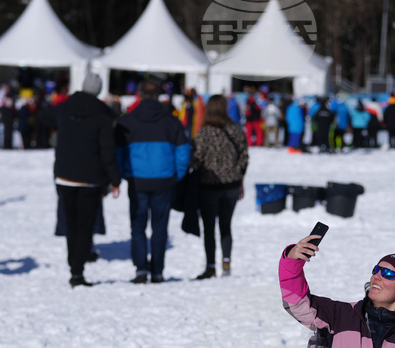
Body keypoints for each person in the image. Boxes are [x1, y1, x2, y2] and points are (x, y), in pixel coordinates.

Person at [42, 73, 121, 287]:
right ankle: (78, 270)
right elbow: (107, 151)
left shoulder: (64, 108)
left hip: (65, 175)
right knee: (85, 226)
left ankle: (74, 265)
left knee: (71, 224)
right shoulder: (103, 115)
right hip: (90, 178)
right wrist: (115, 179)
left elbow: (45, 118)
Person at [116, 78, 190, 283]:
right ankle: (157, 271)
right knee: (160, 227)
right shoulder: (171, 121)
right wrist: (176, 174)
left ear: (139, 95)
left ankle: (141, 269)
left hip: (137, 179)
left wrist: (124, 173)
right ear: (159, 95)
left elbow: (118, 153)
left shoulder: (127, 121)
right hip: (164, 180)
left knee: (138, 226)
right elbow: (184, 152)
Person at [189, 94, 249, 280]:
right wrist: (240, 180)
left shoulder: (204, 132)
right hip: (232, 186)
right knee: (226, 226)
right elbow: (244, 158)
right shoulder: (236, 130)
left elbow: (196, 159)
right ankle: (226, 264)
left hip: (208, 186)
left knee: (209, 228)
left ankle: (210, 266)